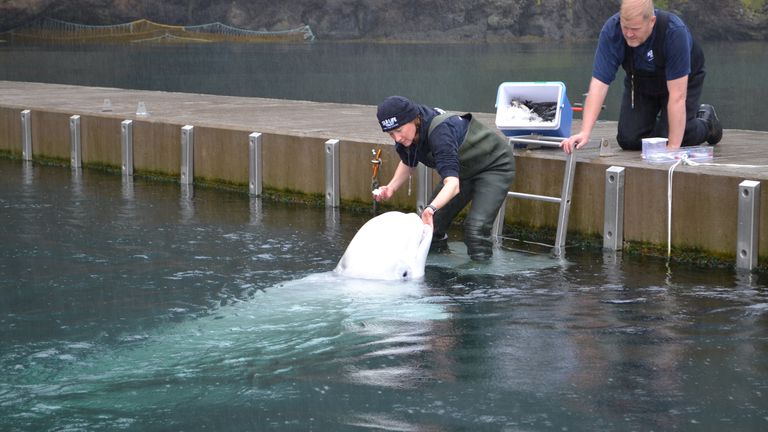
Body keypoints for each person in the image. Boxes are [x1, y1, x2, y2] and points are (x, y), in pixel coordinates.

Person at [561, 0, 722, 154]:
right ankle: (664, 124)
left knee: (678, 135)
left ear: (651, 21)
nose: (629, 34)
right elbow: (598, 85)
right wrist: (585, 132)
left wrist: (672, 149)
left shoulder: (673, 31)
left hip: (682, 80)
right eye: (626, 27)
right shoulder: (612, 31)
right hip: (641, 80)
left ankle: (707, 123)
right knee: (629, 140)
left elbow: (677, 97)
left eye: (635, 29)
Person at [373, 95, 515, 261]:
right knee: (428, 230)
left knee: (475, 229)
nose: (397, 138)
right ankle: (438, 275)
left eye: (399, 130)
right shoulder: (407, 136)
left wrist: (431, 208)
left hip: (494, 166)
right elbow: (408, 162)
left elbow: (452, 184)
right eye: (391, 134)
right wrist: (391, 187)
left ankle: (481, 281)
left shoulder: (440, 132)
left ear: (414, 119)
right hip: (461, 172)